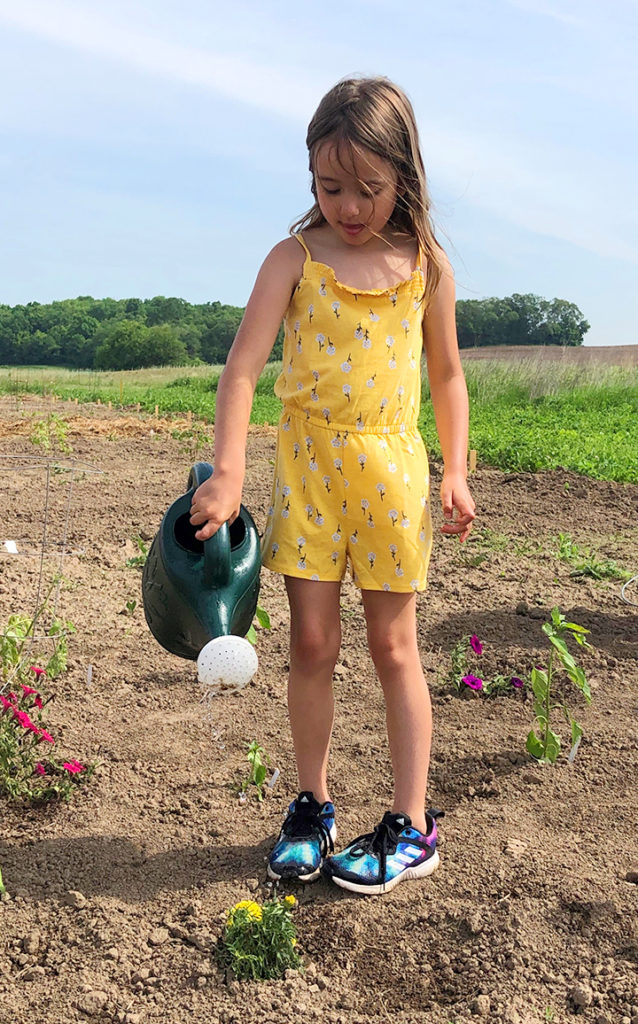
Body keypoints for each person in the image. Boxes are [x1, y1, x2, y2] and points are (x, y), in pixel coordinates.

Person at [189, 76, 475, 895]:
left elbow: (448, 376)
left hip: (391, 477)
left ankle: (411, 825)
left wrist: (454, 469)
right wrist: (232, 470)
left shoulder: (426, 267)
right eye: (330, 186)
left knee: (395, 647)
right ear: (310, 177)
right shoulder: (295, 258)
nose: (349, 206)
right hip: (309, 473)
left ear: (405, 176)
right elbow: (242, 371)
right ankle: (311, 805)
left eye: (369, 188)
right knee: (311, 645)